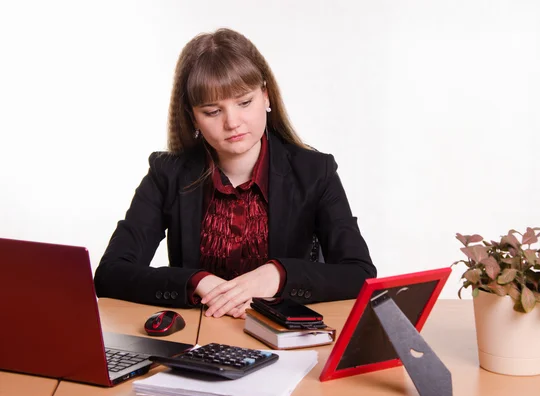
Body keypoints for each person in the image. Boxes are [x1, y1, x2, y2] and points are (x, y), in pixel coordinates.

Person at [93, 28, 376, 319]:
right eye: (213, 111)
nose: (232, 123)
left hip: (282, 339)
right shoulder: (168, 173)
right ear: (193, 118)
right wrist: (197, 281)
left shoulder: (315, 171)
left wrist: (278, 275)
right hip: (199, 339)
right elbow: (110, 273)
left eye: (244, 103)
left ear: (266, 97)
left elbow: (360, 273)